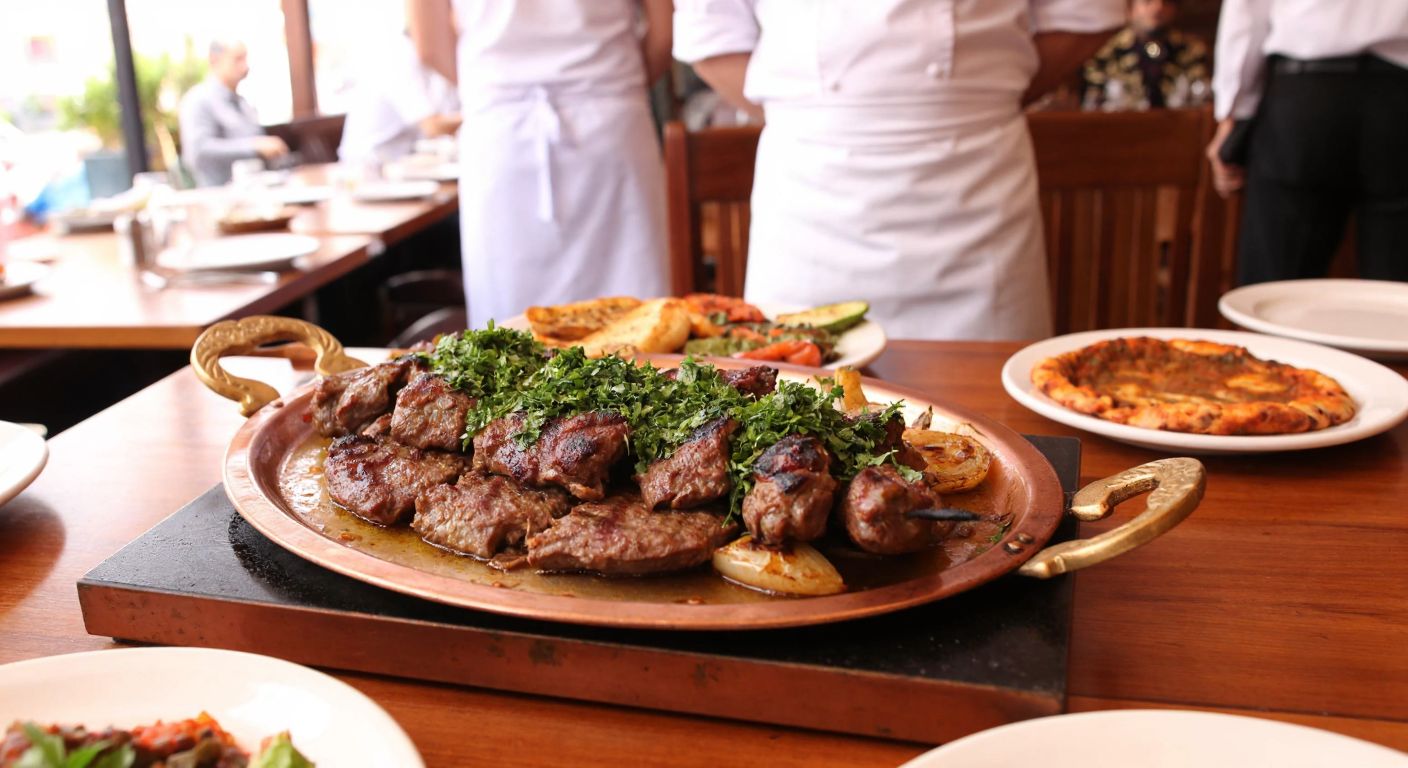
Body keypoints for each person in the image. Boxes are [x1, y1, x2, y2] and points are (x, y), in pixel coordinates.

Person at [675, 1, 1123, 341]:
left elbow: (1087, 14)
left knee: (993, 415)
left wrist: (980, 98)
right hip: (810, 202)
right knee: (795, 413)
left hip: (976, 190)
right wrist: (821, 117)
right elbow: (711, 38)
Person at [409, 0, 672, 329]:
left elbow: (430, 46)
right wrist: (612, 88)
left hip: (502, 129)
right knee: (637, 323)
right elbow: (664, 32)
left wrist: (497, 89)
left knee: (509, 331)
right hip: (610, 120)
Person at [1207, 2, 1408, 285]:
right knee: (1396, 290)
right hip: (1397, 102)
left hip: (1305, 97)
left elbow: (1247, 12)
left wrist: (1232, 115)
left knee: (1275, 289)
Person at [337, 33, 462, 167]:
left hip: (406, 164)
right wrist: (476, 113)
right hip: (368, 168)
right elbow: (433, 126)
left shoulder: (441, 60)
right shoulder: (396, 57)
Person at [178, 40, 289, 187]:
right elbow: (198, 151)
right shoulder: (198, 101)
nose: (245, 66)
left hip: (257, 189)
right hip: (218, 195)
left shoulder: (243, 103)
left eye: (245, 58)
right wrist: (253, 146)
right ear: (215, 59)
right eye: (238, 59)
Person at [1081, 0, 1210, 111]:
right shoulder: (1106, 54)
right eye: (1147, 1)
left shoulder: (1192, 52)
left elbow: (1203, 99)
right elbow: (1092, 105)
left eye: (1166, 1)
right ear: (1130, 9)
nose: (1158, 7)